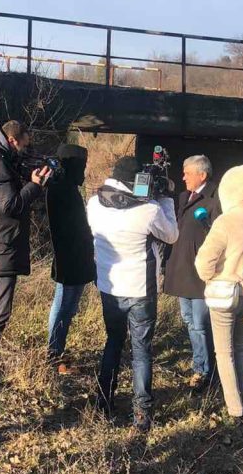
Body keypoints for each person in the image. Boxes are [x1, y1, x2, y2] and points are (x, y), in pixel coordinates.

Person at [86, 156, 179, 432]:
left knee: (113, 342)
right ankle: (142, 413)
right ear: (136, 181)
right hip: (140, 289)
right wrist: (166, 199)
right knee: (141, 351)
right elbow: (171, 235)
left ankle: (104, 401)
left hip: (109, 287)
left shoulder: (93, 204)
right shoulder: (149, 209)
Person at [0, 120, 51, 395]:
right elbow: (9, 204)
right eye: (24, 144)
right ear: (13, 140)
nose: (26, 149)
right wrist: (34, 185)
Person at [194, 165, 243, 420]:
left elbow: (204, 262)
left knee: (224, 353)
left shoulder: (225, 221)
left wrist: (211, 277)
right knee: (240, 348)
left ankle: (235, 410)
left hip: (226, 295)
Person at [163, 154, 221, 392]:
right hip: (181, 269)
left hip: (200, 273)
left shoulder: (216, 199)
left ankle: (205, 371)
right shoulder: (183, 197)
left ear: (202, 175)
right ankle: (201, 364)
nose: (183, 177)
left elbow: (219, 237)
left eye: (187, 173)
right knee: (189, 320)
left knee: (200, 323)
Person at [45, 142, 95, 374]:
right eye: (81, 165)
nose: (83, 170)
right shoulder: (60, 187)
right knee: (63, 306)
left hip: (76, 256)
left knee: (68, 306)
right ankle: (54, 354)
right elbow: (67, 228)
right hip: (69, 257)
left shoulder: (66, 186)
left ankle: (57, 350)